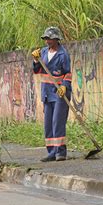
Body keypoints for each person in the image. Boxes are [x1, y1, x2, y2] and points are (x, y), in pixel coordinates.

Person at [31, 26, 72, 162]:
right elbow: (36, 71)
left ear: (56, 39)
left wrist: (65, 87)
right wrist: (36, 60)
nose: (47, 41)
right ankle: (51, 152)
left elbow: (68, 73)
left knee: (57, 122)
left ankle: (61, 152)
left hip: (60, 93)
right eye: (46, 39)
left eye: (49, 39)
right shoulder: (42, 53)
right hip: (47, 93)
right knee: (48, 123)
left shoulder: (63, 55)